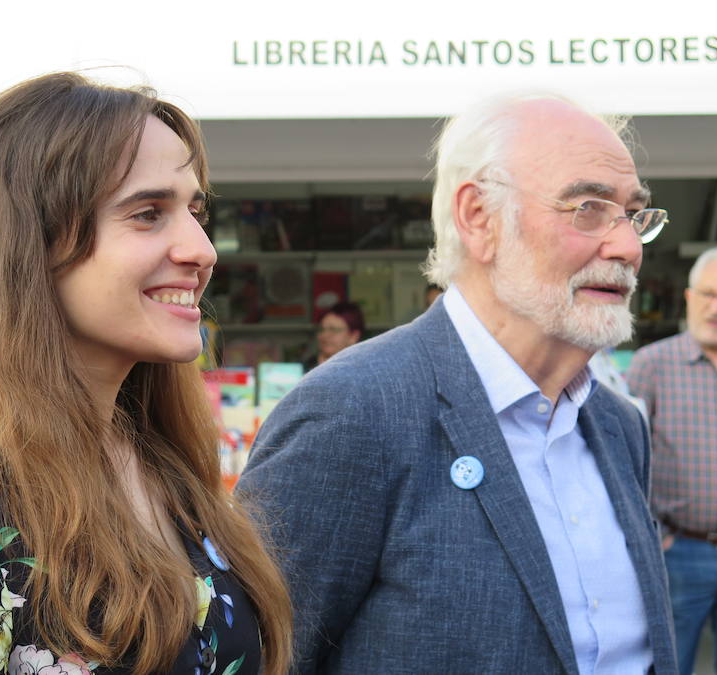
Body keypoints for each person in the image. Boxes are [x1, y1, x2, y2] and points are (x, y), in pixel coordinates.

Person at [237, 93, 677, 673]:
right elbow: (261, 658)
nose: (626, 247)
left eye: (633, 215)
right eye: (589, 208)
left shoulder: (620, 427)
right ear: (480, 219)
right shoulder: (350, 413)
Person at [0, 72, 291, 674]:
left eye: (195, 212)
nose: (202, 250)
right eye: (148, 213)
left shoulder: (159, 463)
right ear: (29, 243)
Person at [627, 247, 717, 675]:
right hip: (676, 554)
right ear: (689, 297)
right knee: (668, 666)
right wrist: (658, 538)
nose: (716, 307)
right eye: (707, 294)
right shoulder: (651, 365)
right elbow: (625, 461)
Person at [303, 301, 364, 371]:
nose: (324, 335)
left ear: (354, 336)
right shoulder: (302, 369)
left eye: (333, 329)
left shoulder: (363, 371)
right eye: (321, 329)